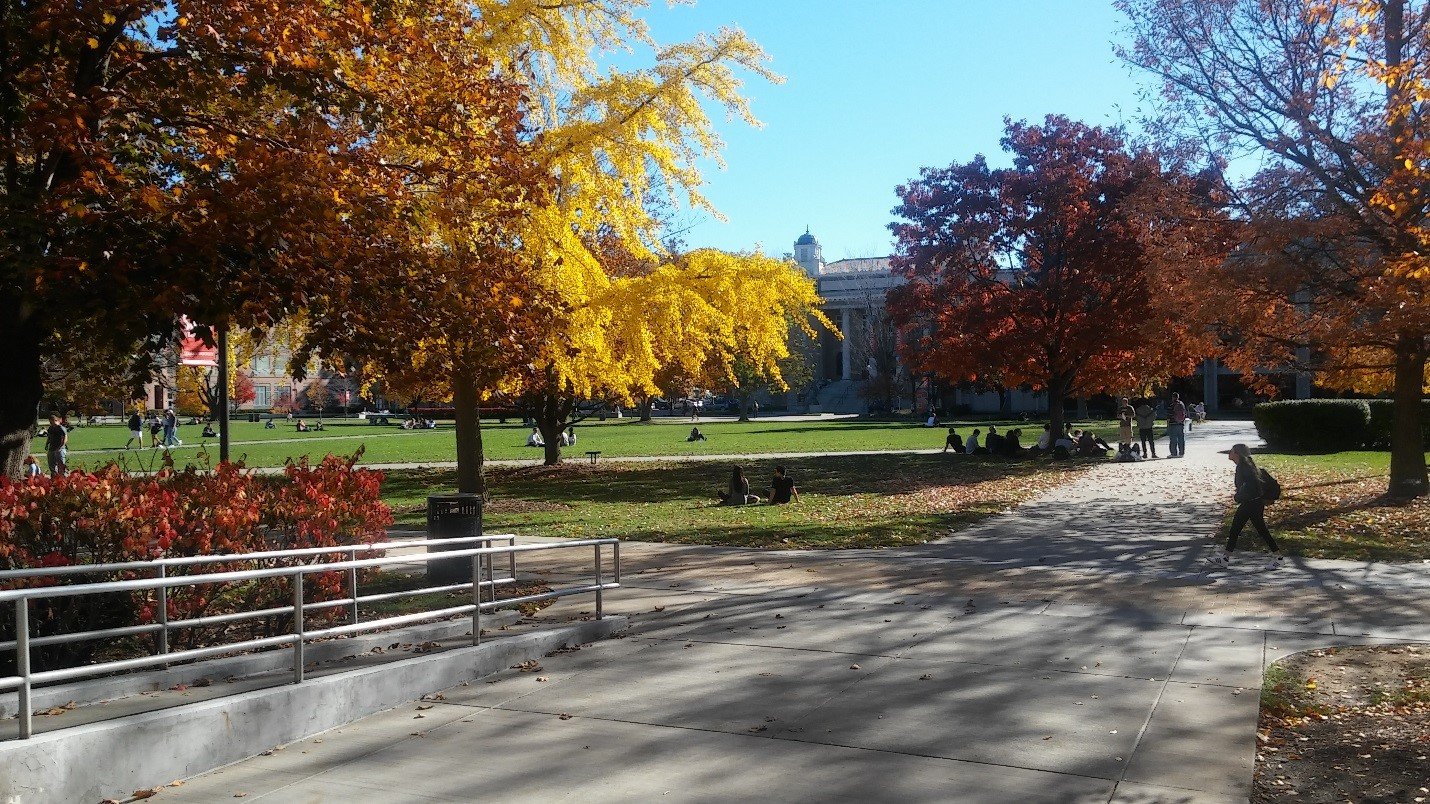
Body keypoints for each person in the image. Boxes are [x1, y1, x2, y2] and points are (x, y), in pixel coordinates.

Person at [1207, 444, 1285, 569]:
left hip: (1250, 504)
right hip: (1254, 503)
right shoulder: (1246, 466)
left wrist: (1238, 497)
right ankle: (1278, 557)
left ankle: (1225, 558)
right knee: (1256, 530)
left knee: (1237, 530)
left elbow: (1248, 486)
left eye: (1231, 451)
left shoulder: (1244, 467)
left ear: (1237, 453)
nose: (1229, 453)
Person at [1167, 392, 1188, 458]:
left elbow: (1169, 415)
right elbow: (1185, 413)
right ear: (1178, 397)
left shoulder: (1171, 405)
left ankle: (1174, 453)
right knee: (1181, 439)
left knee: (1173, 439)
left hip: (1173, 424)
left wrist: (1168, 425)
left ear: (1173, 397)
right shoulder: (1182, 404)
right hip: (1180, 424)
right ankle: (1181, 453)